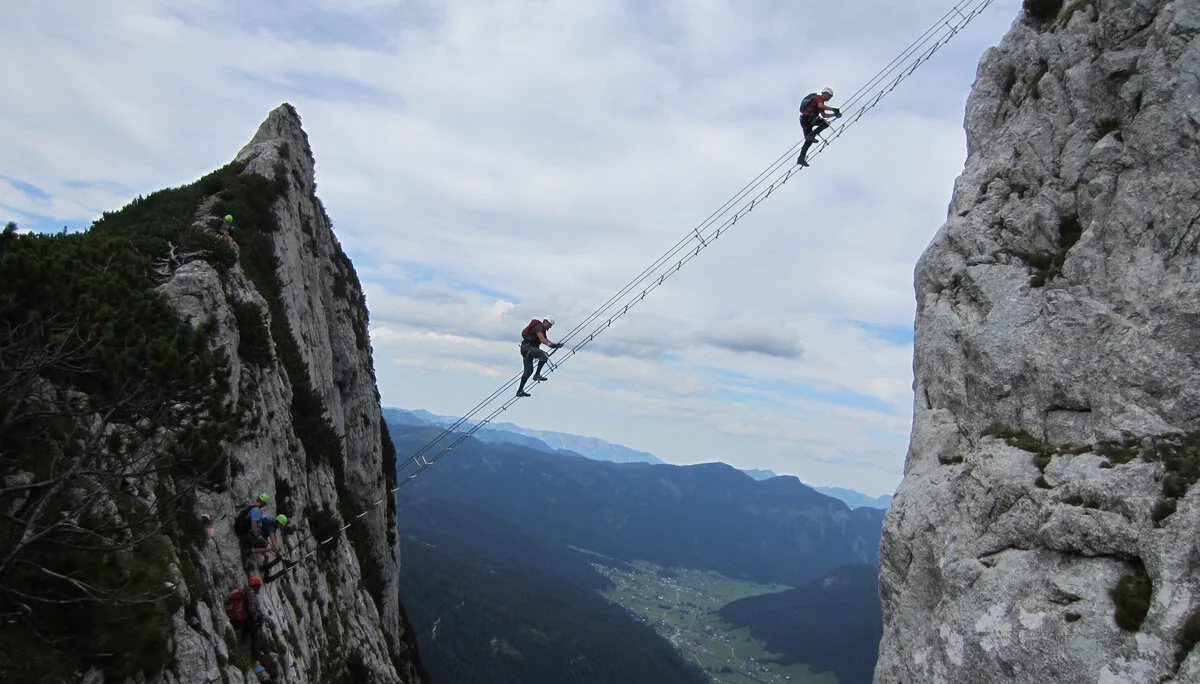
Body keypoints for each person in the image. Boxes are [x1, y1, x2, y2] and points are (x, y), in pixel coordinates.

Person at [516, 316, 563, 398]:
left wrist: (555, 345)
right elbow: (542, 340)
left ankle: (520, 391)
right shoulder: (538, 327)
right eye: (550, 324)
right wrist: (552, 345)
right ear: (545, 321)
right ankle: (537, 374)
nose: (550, 327)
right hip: (528, 348)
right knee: (543, 355)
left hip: (526, 349)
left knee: (528, 371)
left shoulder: (542, 329)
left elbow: (546, 341)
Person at [796, 87, 842, 167]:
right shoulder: (819, 98)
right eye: (830, 96)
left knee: (808, 141)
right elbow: (820, 106)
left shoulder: (819, 101)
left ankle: (801, 159)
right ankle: (812, 135)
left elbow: (824, 115)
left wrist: (835, 115)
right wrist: (833, 109)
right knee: (825, 124)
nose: (830, 98)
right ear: (825, 93)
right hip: (809, 119)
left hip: (805, 120)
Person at [225, 576, 264, 656]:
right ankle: (254, 655)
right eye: (258, 586)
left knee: (243, 636)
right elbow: (251, 609)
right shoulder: (251, 593)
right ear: (255, 586)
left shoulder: (246, 591)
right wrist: (255, 619)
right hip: (249, 619)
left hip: (244, 618)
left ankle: (242, 651)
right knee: (254, 638)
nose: (259, 588)